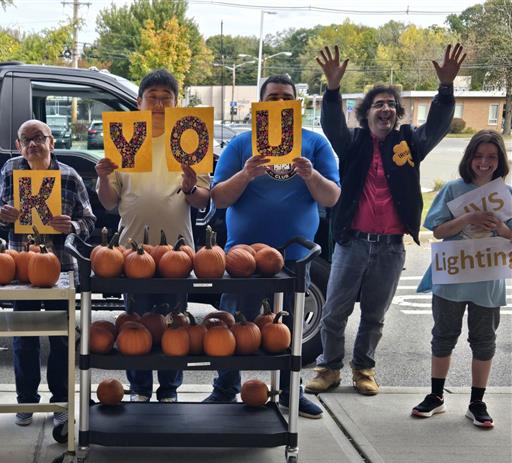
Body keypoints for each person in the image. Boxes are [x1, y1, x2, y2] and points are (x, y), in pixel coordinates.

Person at [308, 44, 465, 396]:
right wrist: (331, 90)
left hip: (391, 248)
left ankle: (364, 368)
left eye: (392, 105)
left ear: (397, 114)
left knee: (374, 317)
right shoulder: (352, 142)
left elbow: (438, 124)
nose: (386, 109)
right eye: (379, 104)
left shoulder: (410, 143)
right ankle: (329, 367)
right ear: (366, 114)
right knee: (334, 312)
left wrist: (445, 89)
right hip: (353, 244)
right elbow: (331, 123)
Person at [204, 74, 341, 418]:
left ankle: (288, 391)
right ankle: (225, 388)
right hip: (243, 256)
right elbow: (218, 199)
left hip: (296, 255)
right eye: (273, 97)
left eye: (286, 97)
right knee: (233, 323)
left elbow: (332, 196)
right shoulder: (240, 145)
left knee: (288, 329)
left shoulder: (314, 145)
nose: (279, 103)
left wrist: (311, 176)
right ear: (260, 105)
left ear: (295, 104)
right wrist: (246, 174)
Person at [96, 69, 211, 403]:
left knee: (175, 321)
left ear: (176, 103)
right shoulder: (124, 139)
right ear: (138, 102)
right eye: (153, 97)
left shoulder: (189, 138)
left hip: (179, 252)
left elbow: (204, 199)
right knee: (136, 321)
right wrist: (103, 177)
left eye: (166, 98)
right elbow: (108, 201)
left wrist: (191, 187)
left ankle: (169, 390)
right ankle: (140, 389)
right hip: (131, 254)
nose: (159, 104)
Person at [0, 119, 95, 430]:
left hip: (60, 269)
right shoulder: (11, 170)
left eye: (39, 138)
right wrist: (2, 214)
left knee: (62, 338)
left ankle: (61, 401)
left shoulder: (68, 175)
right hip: (21, 269)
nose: (33, 144)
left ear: (51, 142)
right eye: (26, 139)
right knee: (24, 337)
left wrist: (73, 227)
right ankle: (26, 400)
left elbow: (89, 219)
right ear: (19, 144)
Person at [412, 131, 512, 428]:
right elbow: (439, 230)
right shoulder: (454, 189)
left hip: (488, 280)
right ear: (469, 158)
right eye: (479, 156)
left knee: (484, 341)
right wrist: (467, 219)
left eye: (491, 157)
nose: (484, 162)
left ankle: (477, 401)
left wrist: (501, 229)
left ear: (499, 161)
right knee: (443, 337)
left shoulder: (506, 195)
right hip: (452, 277)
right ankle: (436, 396)